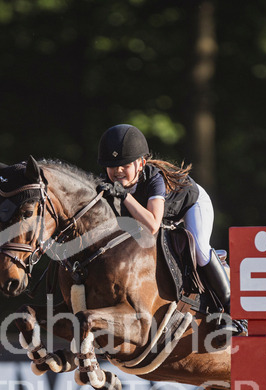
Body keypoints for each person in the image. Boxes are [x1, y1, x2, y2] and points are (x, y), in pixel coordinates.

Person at [95, 123, 246, 336]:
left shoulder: (155, 178)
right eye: (112, 165)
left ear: (140, 163)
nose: (118, 171)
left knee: (200, 250)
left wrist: (124, 196)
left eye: (124, 164)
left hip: (192, 205)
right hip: (164, 215)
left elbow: (153, 224)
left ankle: (233, 312)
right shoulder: (108, 183)